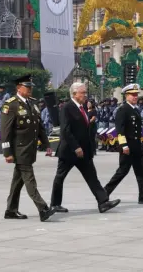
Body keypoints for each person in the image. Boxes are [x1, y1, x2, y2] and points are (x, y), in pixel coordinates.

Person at [50, 82, 121, 214]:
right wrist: (76, 147)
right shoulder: (67, 107)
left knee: (92, 177)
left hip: (84, 152)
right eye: (82, 92)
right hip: (70, 151)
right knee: (60, 177)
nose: (85, 95)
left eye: (85, 92)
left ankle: (103, 202)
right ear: (74, 93)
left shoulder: (82, 108)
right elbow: (65, 130)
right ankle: (55, 204)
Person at [1, 74, 56, 222]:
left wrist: (47, 144)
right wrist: (7, 152)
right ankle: (43, 208)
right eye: (28, 87)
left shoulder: (32, 103)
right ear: (19, 88)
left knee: (17, 181)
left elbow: (39, 127)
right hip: (19, 150)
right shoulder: (11, 105)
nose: (30, 89)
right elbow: (5, 131)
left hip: (30, 148)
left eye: (31, 87)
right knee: (29, 180)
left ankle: (11, 210)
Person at [104, 84, 143, 205]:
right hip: (127, 145)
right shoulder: (123, 110)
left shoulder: (135, 109)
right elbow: (120, 129)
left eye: (136, 95)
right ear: (126, 96)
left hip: (137, 145)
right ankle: (104, 193)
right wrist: (124, 145)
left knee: (141, 171)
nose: (135, 97)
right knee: (122, 171)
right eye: (132, 95)